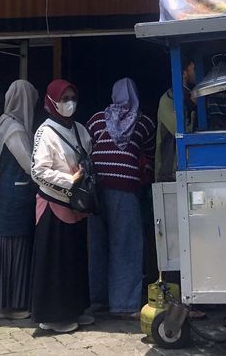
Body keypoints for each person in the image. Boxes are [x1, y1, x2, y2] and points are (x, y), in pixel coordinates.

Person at [86, 78, 156, 317]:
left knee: (98, 245)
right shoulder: (144, 122)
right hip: (126, 191)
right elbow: (149, 156)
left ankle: (98, 299)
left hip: (95, 191)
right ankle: (124, 304)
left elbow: (87, 148)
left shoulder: (96, 120)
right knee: (125, 246)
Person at [30, 79, 94, 334]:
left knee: (74, 260)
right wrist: (70, 180)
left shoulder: (79, 128)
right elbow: (38, 172)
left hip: (76, 205)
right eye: (64, 98)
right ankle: (53, 316)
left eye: (72, 97)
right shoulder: (44, 132)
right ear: (52, 101)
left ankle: (74, 308)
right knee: (55, 263)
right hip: (53, 206)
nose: (69, 103)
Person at [0, 80, 39, 320]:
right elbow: (30, 164)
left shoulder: (3, 123)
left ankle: (5, 302)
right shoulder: (15, 130)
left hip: (7, 192)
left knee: (7, 245)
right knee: (15, 247)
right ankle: (11, 305)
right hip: (16, 194)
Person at [155, 56, 196, 182]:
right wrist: (195, 107)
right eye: (194, 68)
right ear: (184, 73)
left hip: (190, 168)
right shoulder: (169, 100)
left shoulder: (190, 96)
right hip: (171, 174)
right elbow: (182, 132)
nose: (197, 72)